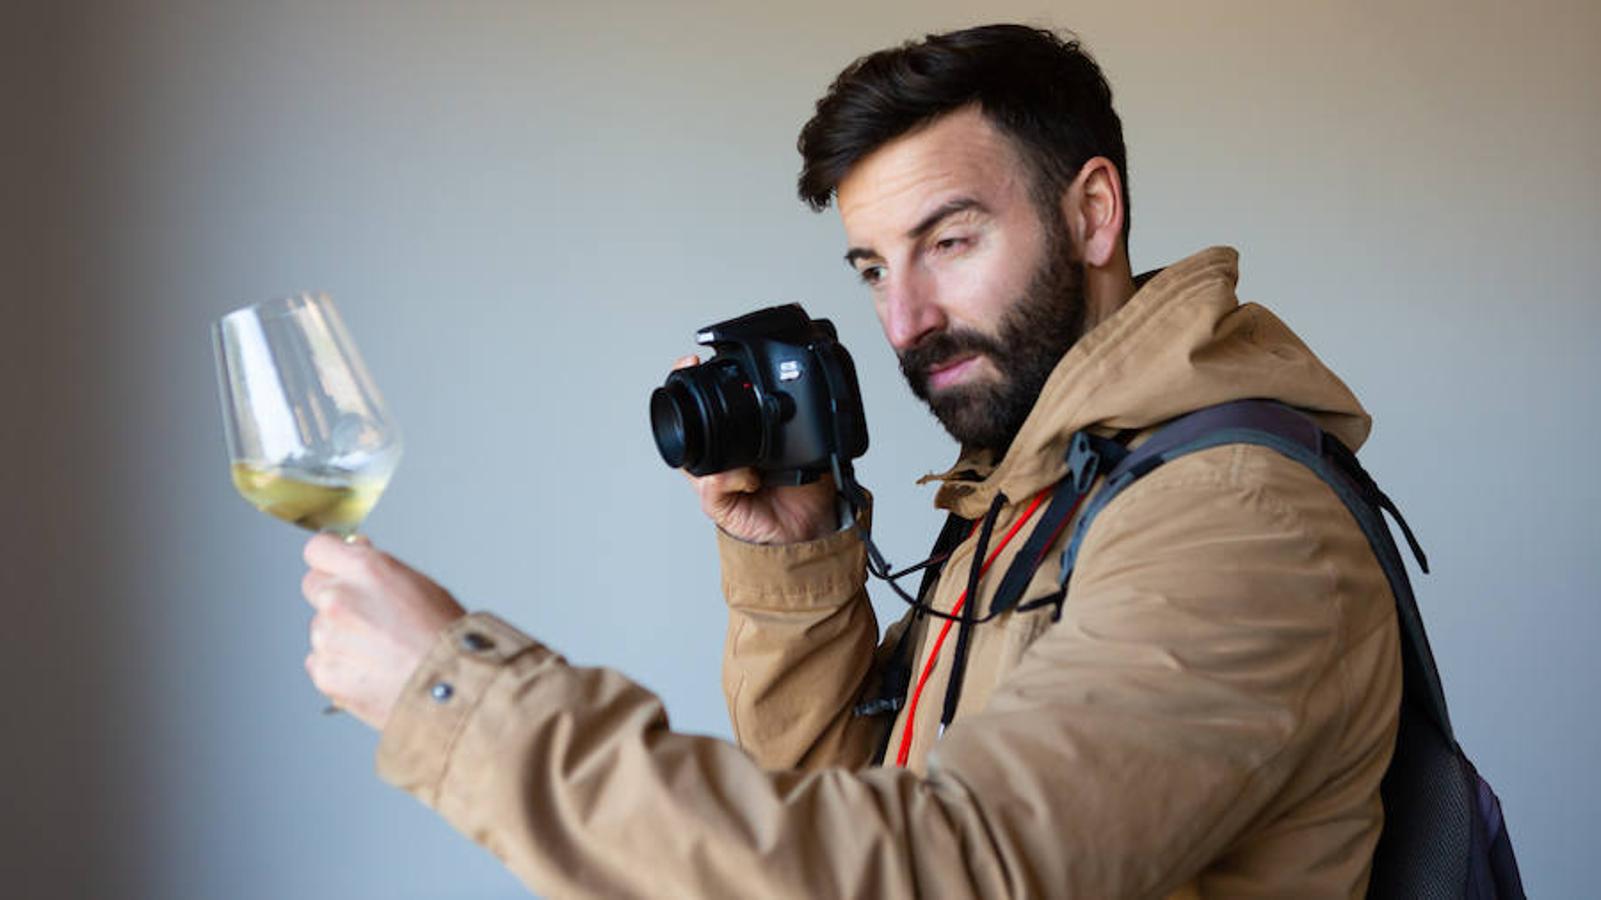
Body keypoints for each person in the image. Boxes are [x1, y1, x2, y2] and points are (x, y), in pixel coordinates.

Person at [299, 24, 1401, 897]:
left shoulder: (1231, 521)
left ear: (1092, 213)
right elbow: (851, 807)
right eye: (872, 268)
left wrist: (452, 700)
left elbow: (945, 868)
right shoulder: (1047, 485)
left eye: (949, 241)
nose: (907, 319)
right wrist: (799, 566)